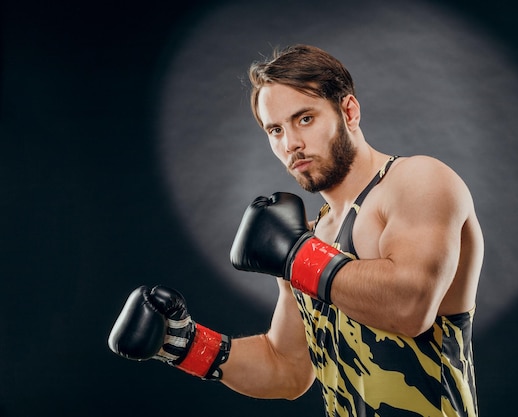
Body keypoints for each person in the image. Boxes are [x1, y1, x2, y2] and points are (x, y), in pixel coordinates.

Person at [108, 44, 484, 417]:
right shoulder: (307, 238)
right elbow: (285, 369)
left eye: (305, 119)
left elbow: (409, 307)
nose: (291, 144)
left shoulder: (419, 181)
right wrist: (186, 345)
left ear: (348, 111)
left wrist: (297, 256)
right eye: (275, 129)